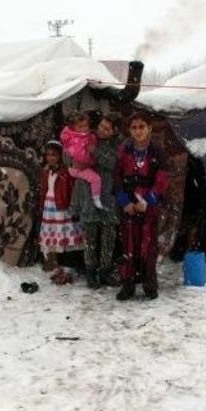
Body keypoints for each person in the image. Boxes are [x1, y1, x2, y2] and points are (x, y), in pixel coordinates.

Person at [114, 111, 168, 301]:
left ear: (149, 129)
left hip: (148, 205)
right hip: (128, 204)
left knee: (148, 245)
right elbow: (117, 176)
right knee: (128, 245)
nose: (138, 131)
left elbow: (161, 179)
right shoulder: (124, 150)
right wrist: (124, 201)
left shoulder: (157, 151)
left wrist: (147, 200)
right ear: (129, 130)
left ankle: (149, 285)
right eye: (134, 127)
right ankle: (127, 285)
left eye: (141, 127)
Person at [70, 113, 121, 289]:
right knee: (90, 239)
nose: (101, 130)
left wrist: (96, 153)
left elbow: (115, 163)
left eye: (107, 128)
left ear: (114, 132)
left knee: (108, 238)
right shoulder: (86, 137)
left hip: (108, 197)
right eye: (101, 126)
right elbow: (69, 154)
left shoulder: (118, 146)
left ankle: (105, 271)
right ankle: (91, 273)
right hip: (87, 197)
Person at [37, 141, 84, 282]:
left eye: (54, 155)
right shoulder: (46, 171)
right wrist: (41, 205)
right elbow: (44, 190)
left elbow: (71, 190)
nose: (51, 158)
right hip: (50, 207)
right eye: (48, 155)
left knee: (66, 237)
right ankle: (61, 266)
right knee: (56, 238)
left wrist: (74, 207)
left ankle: (70, 267)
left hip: (62, 207)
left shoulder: (66, 172)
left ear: (60, 156)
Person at [60, 112, 104, 210]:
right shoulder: (70, 136)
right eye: (80, 127)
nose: (84, 128)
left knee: (95, 180)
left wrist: (92, 154)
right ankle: (96, 198)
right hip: (75, 168)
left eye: (86, 126)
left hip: (86, 166)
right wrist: (72, 162)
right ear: (73, 127)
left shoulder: (90, 137)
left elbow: (94, 152)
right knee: (95, 179)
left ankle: (95, 198)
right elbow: (65, 149)